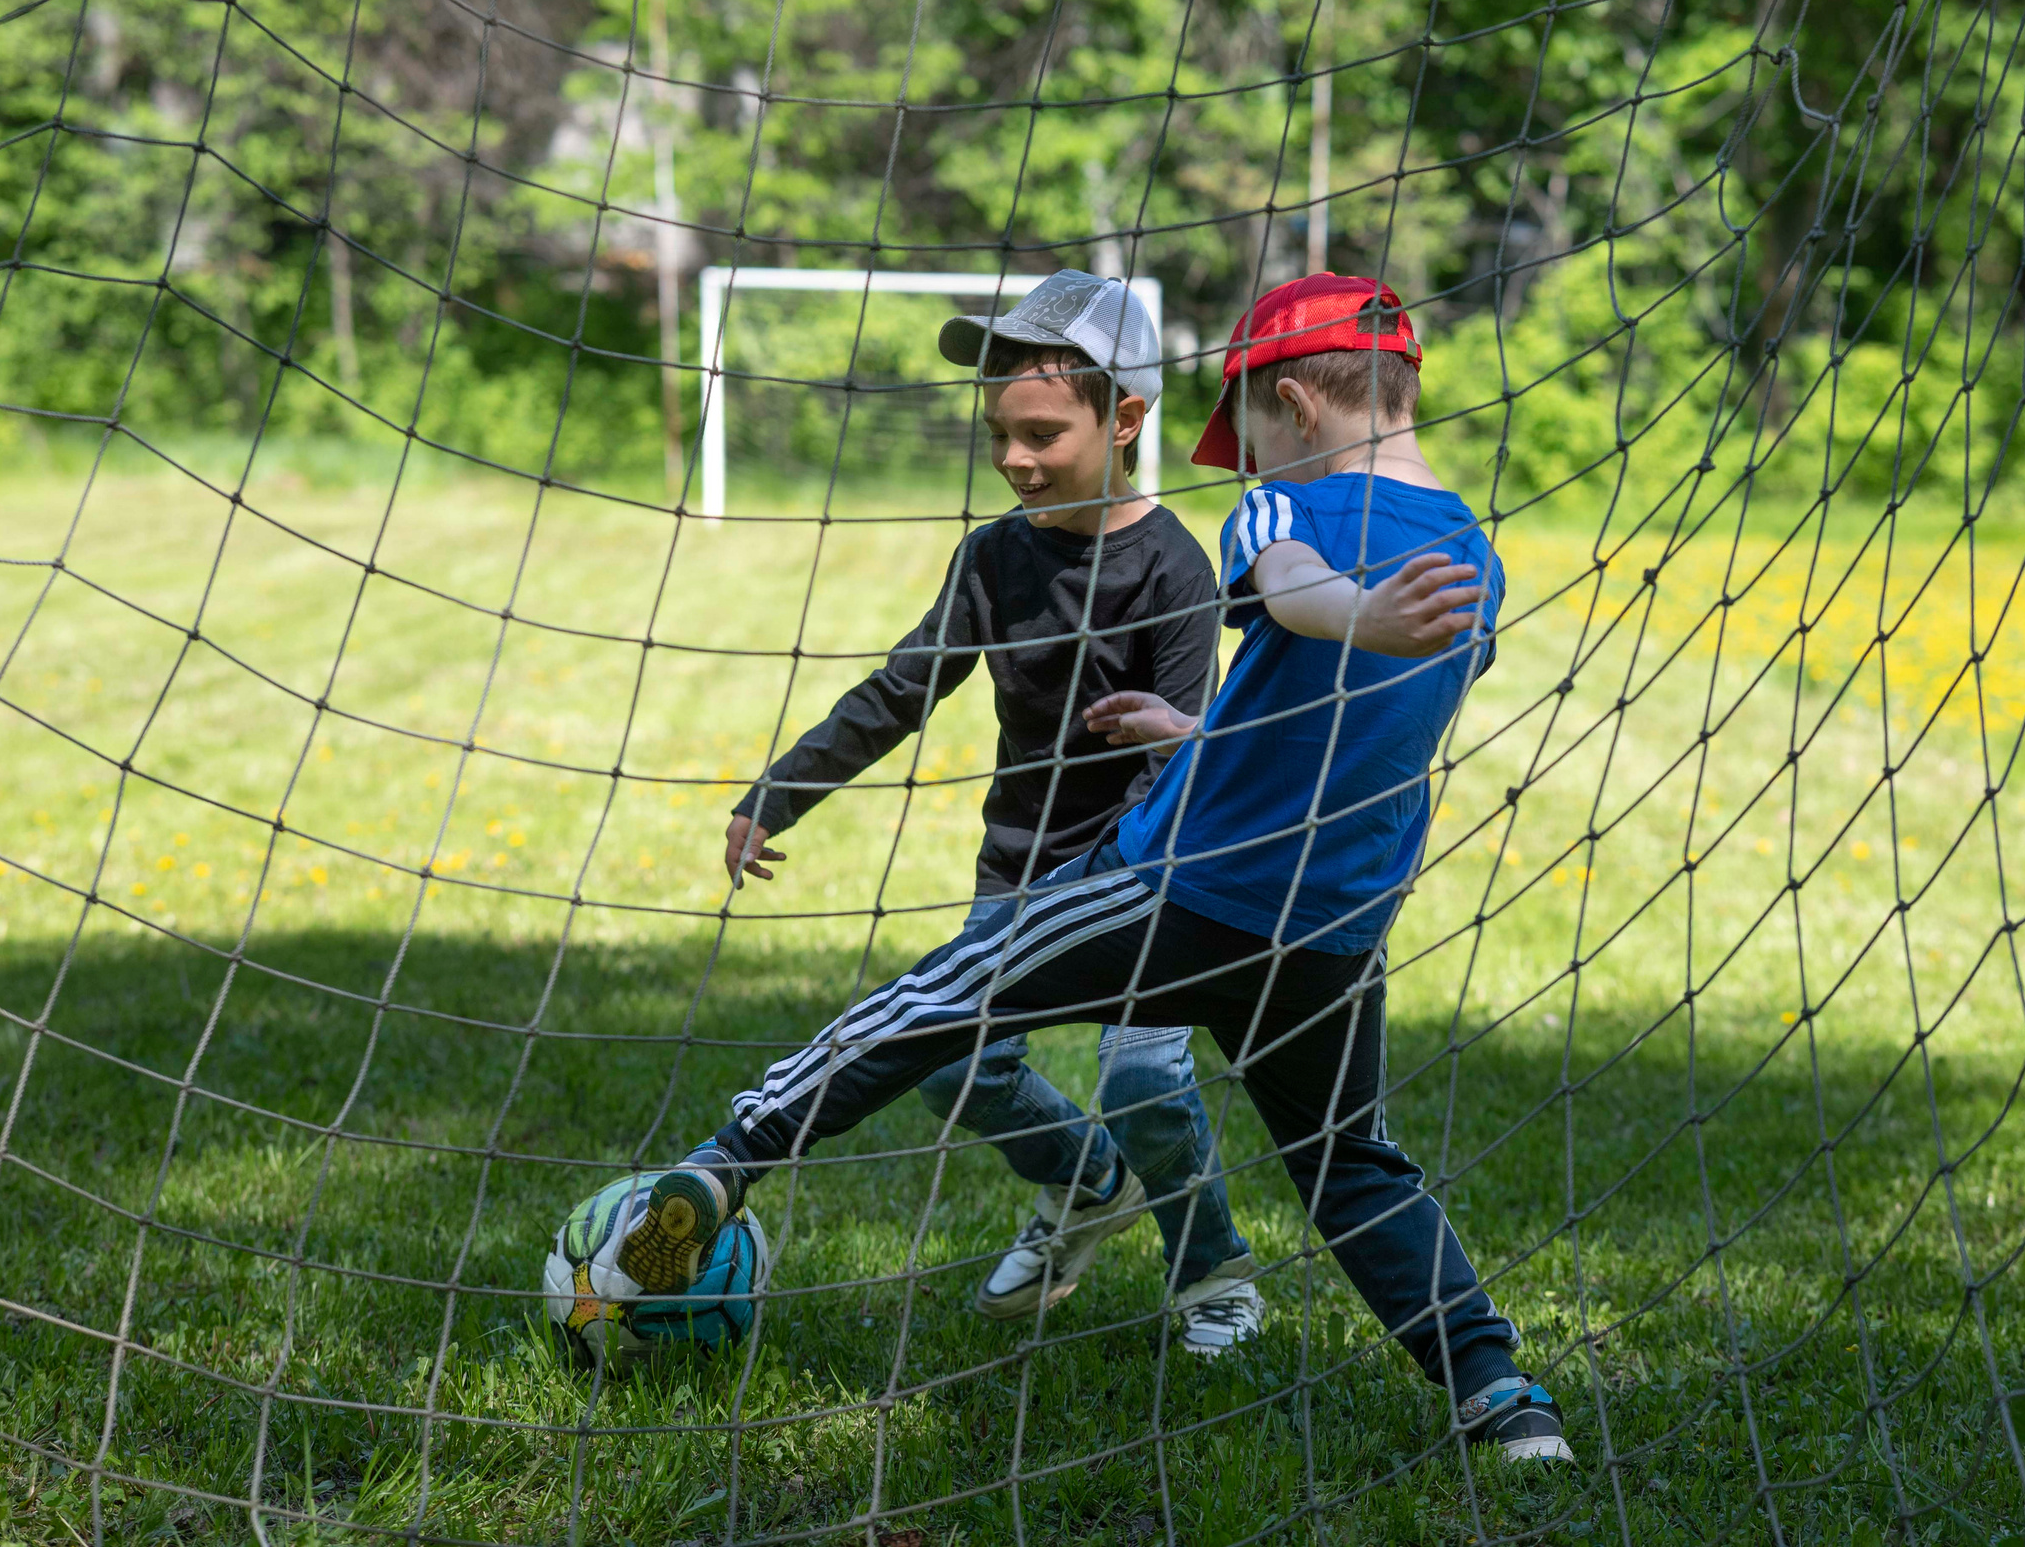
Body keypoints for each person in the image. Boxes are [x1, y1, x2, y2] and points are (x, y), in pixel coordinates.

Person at [613, 274, 1570, 1461]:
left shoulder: (1283, 521)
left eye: (1255, 442)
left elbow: (1297, 596)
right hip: (1328, 933)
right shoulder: (1473, 559)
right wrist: (1209, 729)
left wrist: (1359, 611)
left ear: (1293, 408)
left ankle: (727, 1164)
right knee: (1353, 1166)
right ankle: (1502, 1395)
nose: (1250, 465)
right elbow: (1352, 728)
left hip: (1181, 890)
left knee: (940, 997)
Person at [719, 269, 1264, 1349]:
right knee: (960, 1067)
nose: (1015, 456)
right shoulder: (995, 555)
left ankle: (1214, 1276)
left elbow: (1180, 759)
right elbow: (902, 686)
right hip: (1020, 865)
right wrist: (775, 796)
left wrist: (1102, 882)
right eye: (999, 432)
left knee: (1147, 1075)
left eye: (1042, 433)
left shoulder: (1176, 570)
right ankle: (1088, 1181)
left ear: (1125, 420)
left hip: (1144, 873)